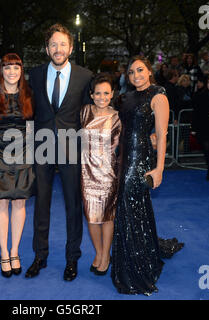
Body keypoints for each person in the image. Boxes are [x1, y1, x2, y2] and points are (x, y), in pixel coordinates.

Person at [25, 23, 92, 281]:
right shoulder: (35, 74)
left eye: (63, 44)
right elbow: (26, 109)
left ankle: (72, 258)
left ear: (71, 47)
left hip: (71, 147)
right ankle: (40, 256)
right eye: (53, 44)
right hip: (42, 145)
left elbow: (93, 112)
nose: (58, 49)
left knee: (73, 206)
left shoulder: (85, 76)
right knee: (41, 203)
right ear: (46, 48)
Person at [112, 55, 183, 296]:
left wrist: (160, 168)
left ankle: (137, 267)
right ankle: (141, 252)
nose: (136, 76)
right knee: (133, 209)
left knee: (129, 206)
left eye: (140, 70)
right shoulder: (128, 97)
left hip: (140, 160)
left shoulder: (158, 95)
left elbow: (162, 135)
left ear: (149, 71)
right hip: (124, 158)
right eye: (131, 72)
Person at [0, 53, 34, 278]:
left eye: (16, 67)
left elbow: (35, 124)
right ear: (1, 71)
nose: (12, 72)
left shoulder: (30, 95)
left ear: (21, 71)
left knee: (20, 205)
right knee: (1, 204)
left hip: (24, 153)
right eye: (7, 68)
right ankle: (4, 253)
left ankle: (15, 251)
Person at [80, 73, 121, 276]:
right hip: (86, 173)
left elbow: (126, 143)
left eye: (106, 93)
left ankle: (106, 255)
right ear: (91, 94)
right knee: (91, 217)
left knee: (107, 216)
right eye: (98, 93)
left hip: (108, 174)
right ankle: (98, 252)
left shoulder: (117, 117)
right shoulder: (85, 112)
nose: (102, 97)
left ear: (112, 94)